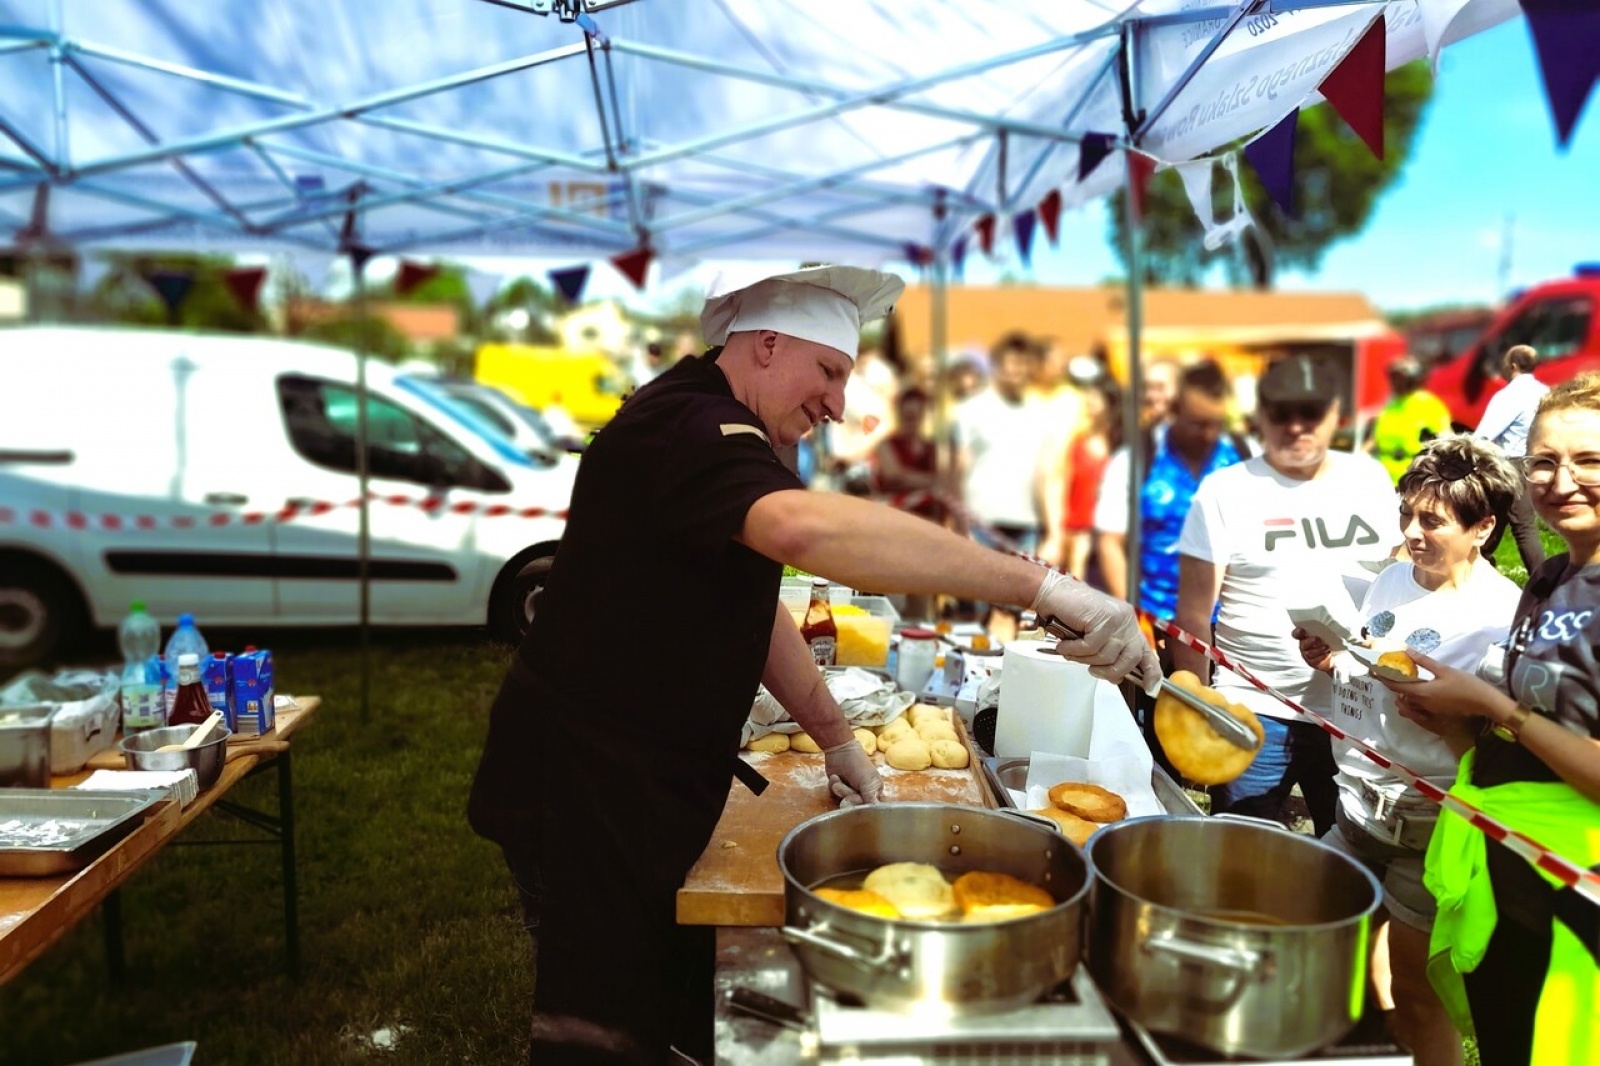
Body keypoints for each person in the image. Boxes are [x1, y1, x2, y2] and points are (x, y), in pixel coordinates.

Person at [466, 264, 1160, 1066]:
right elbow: (804, 535)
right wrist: (1046, 584)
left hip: (639, 779)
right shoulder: (690, 427)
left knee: (661, 991)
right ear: (765, 346)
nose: (836, 404)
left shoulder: (730, 428)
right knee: (597, 1025)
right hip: (584, 784)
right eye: (829, 372)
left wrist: (834, 736)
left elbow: (749, 605)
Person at [1376, 372, 1600, 1066]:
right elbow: (1529, 724)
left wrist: (1489, 705)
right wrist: (1454, 720)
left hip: (1578, 879)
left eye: (1588, 459)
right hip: (1506, 859)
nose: (1562, 480)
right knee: (1506, 1037)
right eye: (1543, 460)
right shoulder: (1549, 580)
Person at [1293, 436, 1523, 1066]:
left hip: (1427, 820)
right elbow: (1368, 657)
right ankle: (1378, 1044)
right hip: (1356, 804)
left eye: (1432, 521)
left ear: (1483, 528)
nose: (1412, 533)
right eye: (1406, 515)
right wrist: (1332, 654)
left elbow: (1507, 738)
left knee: (1422, 994)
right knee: (1325, 941)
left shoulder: (1501, 615)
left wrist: (1455, 717)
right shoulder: (1392, 577)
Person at [1175, 354, 1400, 835]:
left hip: (1356, 706)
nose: (1296, 427)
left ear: (1336, 414)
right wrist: (1195, 712)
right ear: (1260, 415)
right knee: (1241, 860)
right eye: (1281, 413)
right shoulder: (1224, 491)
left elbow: (1399, 574)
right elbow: (1193, 614)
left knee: (1356, 864)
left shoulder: (1369, 479)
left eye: (1311, 413)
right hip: (1257, 709)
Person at [1096, 359, 1251, 773]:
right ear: (1176, 410)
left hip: (1227, 625)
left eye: (1215, 424)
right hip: (1155, 620)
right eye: (1198, 423)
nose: (1208, 434)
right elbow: (1111, 542)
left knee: (1220, 730)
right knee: (1161, 728)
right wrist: (1129, 612)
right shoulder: (1140, 457)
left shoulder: (1241, 457)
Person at [1475, 343, 1549, 574]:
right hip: (1536, 461)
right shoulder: (1545, 392)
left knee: (1522, 526)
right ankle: (1481, 562)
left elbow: (1484, 435)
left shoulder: (1508, 395)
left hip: (1510, 464)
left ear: (1512, 365)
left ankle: (1543, 582)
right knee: (1495, 516)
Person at [1059, 375, 1119, 582]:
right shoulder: (1076, 442)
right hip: (1078, 531)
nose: (1090, 403)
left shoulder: (1120, 447)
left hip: (1109, 531)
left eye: (1096, 397)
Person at [1368, 356, 1454, 484]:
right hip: (1384, 476)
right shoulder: (1392, 404)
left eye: (1401, 378)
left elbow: (1447, 438)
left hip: (1410, 476)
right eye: (1394, 378)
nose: (1396, 383)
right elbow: (1375, 438)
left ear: (1414, 380)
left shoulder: (1428, 404)